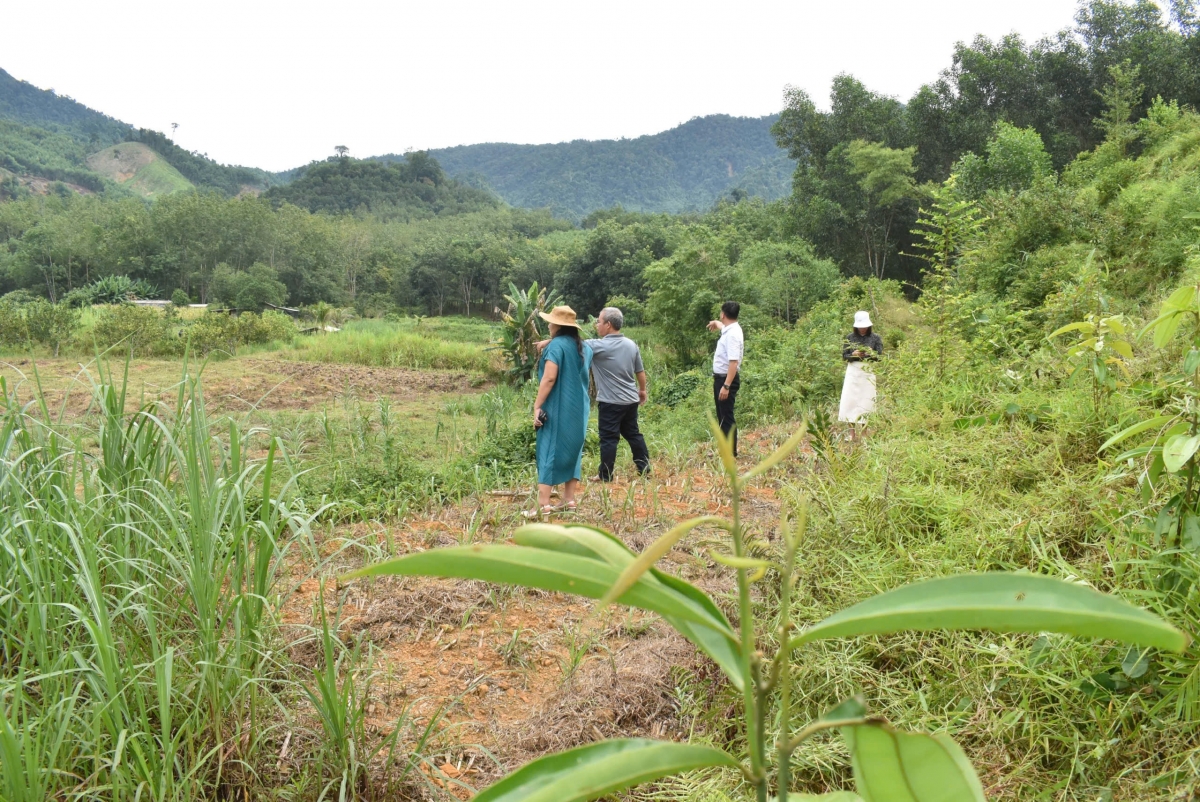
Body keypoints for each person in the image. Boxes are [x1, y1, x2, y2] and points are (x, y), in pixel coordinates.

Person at [527, 305, 593, 519]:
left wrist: (537, 406)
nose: (548, 324)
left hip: (557, 407)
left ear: (558, 325)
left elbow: (549, 378)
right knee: (573, 451)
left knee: (548, 449)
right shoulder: (585, 347)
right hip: (579, 409)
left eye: (550, 321)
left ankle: (543, 505)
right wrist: (550, 343)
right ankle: (569, 499)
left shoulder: (555, 348)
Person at [585, 307, 649, 481]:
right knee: (633, 434)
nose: (596, 325)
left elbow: (573, 344)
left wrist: (548, 342)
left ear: (608, 324)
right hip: (630, 400)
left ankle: (605, 476)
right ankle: (644, 469)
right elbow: (640, 371)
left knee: (608, 438)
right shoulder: (631, 344)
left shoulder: (598, 345)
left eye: (599, 321)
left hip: (611, 402)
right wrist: (642, 391)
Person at [706, 301, 744, 456]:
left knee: (727, 417)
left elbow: (733, 362)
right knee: (722, 416)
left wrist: (726, 386)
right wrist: (717, 323)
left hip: (726, 380)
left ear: (723, 314)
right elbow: (724, 328)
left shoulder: (733, 335)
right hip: (722, 379)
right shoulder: (731, 329)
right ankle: (725, 450)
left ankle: (730, 454)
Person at [838, 310, 883, 429]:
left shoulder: (875, 338)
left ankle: (864, 431)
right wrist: (854, 354)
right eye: (860, 327)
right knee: (850, 401)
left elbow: (879, 357)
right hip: (853, 371)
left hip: (867, 371)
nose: (862, 329)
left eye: (864, 327)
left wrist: (871, 353)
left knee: (866, 401)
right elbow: (844, 356)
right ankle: (851, 432)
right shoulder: (850, 338)